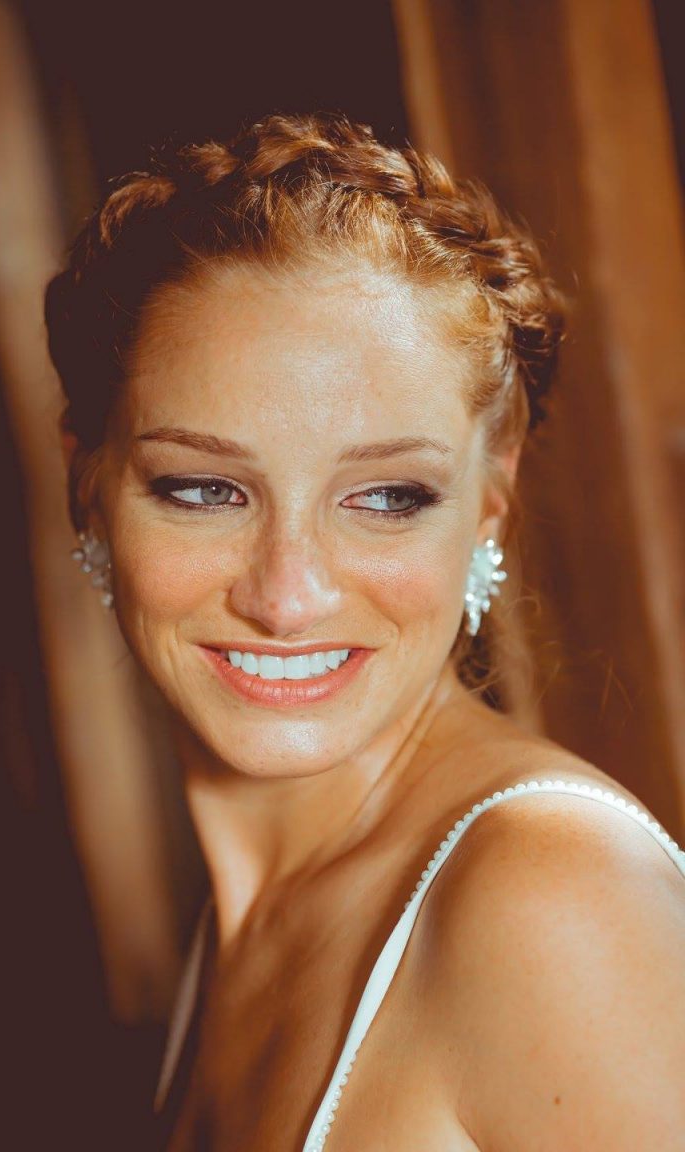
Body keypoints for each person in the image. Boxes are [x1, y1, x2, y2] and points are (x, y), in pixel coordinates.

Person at [44, 112, 685, 1151]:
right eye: (204, 488)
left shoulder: (553, 899)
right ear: (90, 481)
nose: (286, 598)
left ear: (489, 505)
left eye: (387, 497)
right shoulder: (242, 924)